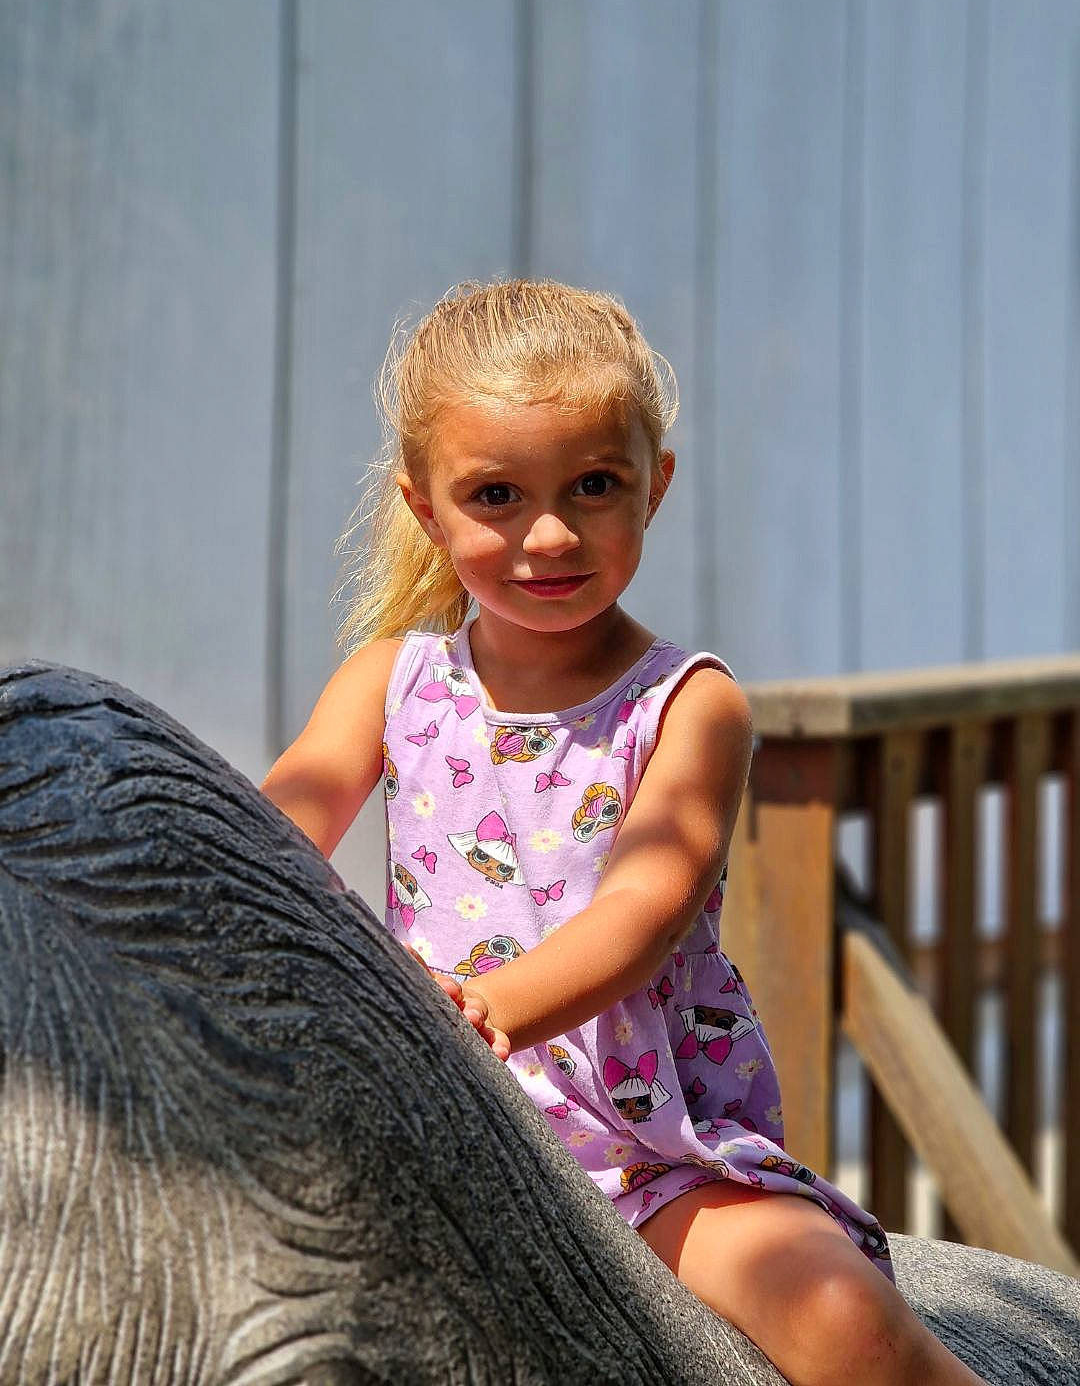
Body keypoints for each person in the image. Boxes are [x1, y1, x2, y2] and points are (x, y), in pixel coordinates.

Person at [262, 279, 987, 1386]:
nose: (549, 534)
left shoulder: (689, 704)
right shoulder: (389, 682)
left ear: (657, 486)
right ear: (426, 509)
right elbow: (270, 841)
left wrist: (484, 1009)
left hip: (649, 1157)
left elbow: (646, 910)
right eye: (496, 494)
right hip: (433, 1119)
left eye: (595, 485)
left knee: (848, 1323)